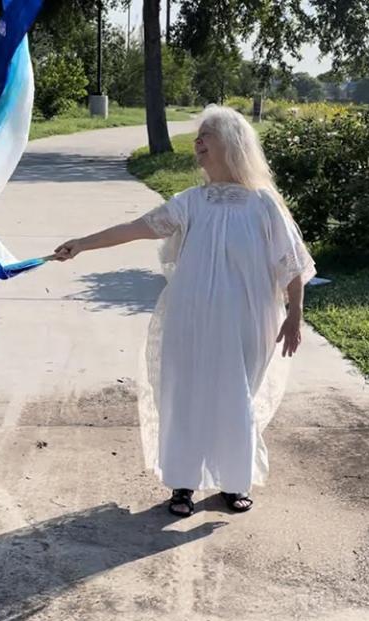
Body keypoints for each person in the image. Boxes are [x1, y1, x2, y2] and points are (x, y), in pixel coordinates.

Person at [53, 105, 316, 517]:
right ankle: (183, 484)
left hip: (249, 320)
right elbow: (136, 227)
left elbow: (292, 263)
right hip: (190, 316)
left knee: (237, 396)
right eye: (198, 137)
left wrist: (295, 315)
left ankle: (234, 482)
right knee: (187, 394)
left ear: (231, 143)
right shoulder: (190, 202)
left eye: (206, 135)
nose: (198, 143)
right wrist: (82, 242)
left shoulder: (264, 205)